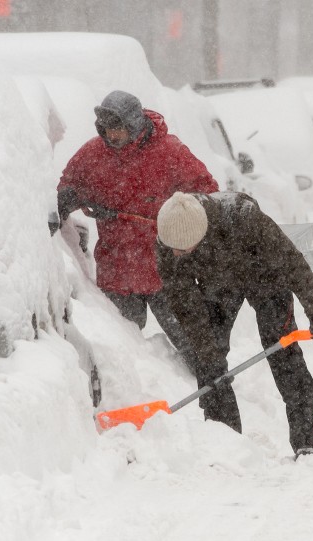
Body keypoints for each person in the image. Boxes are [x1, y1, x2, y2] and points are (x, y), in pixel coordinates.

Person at [154, 191, 313, 457]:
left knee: (282, 351)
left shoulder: (245, 218)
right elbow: (185, 303)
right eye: (173, 250)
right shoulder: (169, 241)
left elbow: (292, 263)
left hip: (265, 277)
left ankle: (308, 440)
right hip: (219, 286)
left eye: (183, 250)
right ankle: (224, 442)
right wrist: (208, 351)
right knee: (208, 363)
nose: (176, 255)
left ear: (200, 236)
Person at [57, 90, 219, 361]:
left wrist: (179, 214)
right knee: (124, 355)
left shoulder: (169, 152)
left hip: (166, 268)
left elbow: (207, 194)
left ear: (134, 123)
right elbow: (68, 187)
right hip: (117, 271)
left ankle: (212, 386)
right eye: (107, 129)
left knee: (196, 349)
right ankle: (140, 398)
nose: (112, 135)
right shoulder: (93, 154)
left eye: (118, 128)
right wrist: (70, 198)